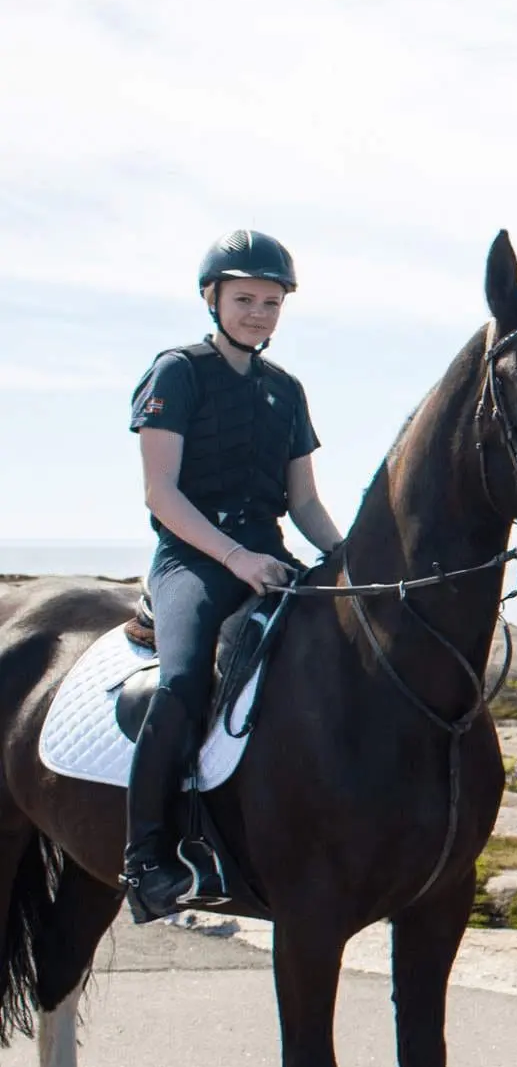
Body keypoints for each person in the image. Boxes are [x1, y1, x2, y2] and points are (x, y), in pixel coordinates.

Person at [120, 231, 345, 922]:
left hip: (270, 560)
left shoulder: (286, 391)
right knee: (185, 681)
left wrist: (349, 559)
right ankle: (148, 857)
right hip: (193, 560)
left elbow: (303, 502)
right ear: (212, 299)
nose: (258, 313)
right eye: (245, 298)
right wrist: (235, 559)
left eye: (271, 302)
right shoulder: (177, 373)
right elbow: (161, 493)